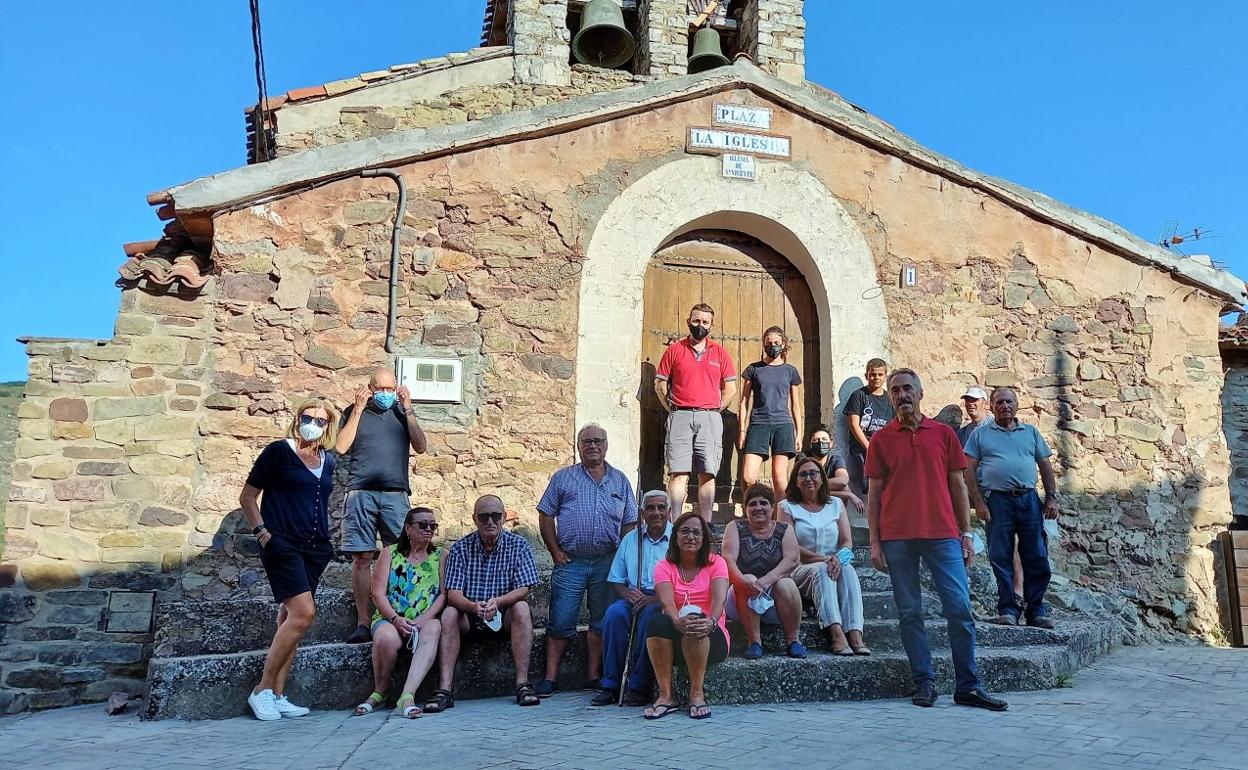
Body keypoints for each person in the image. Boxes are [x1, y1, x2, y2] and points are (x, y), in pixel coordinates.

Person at [866, 368, 1007, 711]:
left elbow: (959, 486)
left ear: (920, 394)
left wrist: (967, 533)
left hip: (943, 535)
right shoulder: (882, 440)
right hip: (897, 536)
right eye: (895, 390)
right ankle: (924, 682)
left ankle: (968, 686)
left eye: (907, 388)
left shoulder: (943, 434)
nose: (902, 395)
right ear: (890, 397)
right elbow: (874, 495)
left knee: (959, 609)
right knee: (910, 612)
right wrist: (874, 541)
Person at [239, 398, 339, 721]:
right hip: (283, 544)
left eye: (321, 421)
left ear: (328, 427)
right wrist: (262, 533)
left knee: (290, 620)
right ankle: (262, 689)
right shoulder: (279, 451)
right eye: (308, 417)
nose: (314, 424)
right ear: (298, 419)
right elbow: (248, 496)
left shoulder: (326, 460)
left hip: (315, 549)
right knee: (303, 613)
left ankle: (279, 694)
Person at [536, 424, 636, 697]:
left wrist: (621, 559)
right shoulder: (562, 478)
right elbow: (546, 515)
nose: (593, 446)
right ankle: (550, 679)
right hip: (571, 562)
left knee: (601, 622)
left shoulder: (620, 481)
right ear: (579, 446)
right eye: (587, 441)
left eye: (598, 441)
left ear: (606, 445)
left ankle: (594, 676)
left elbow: (629, 523)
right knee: (560, 621)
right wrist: (555, 551)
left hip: (606, 562)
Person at [336, 367, 429, 644]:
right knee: (362, 558)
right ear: (369, 388)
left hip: (395, 494)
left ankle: (403, 614)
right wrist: (358, 409)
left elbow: (421, 446)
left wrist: (409, 408)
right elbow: (341, 446)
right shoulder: (355, 410)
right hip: (360, 492)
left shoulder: (402, 412)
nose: (386, 394)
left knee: (402, 553)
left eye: (391, 388)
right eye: (380, 389)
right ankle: (364, 623)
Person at [430, 495, 542, 711]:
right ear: (474, 519)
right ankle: (444, 690)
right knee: (449, 613)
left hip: (503, 612)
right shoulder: (460, 548)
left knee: (521, 607)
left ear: (504, 518)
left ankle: (522, 685)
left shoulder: (519, 545)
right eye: (484, 516)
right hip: (470, 614)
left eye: (495, 515)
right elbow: (453, 594)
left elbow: (524, 588)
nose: (490, 521)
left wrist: (499, 602)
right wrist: (473, 607)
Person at [963, 387, 1060, 629]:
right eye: (999, 402)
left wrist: (1051, 498)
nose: (1004, 406)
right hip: (997, 501)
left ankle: (1036, 610)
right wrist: (978, 502)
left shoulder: (1030, 432)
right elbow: (968, 470)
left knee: (1036, 554)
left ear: (1016, 405)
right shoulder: (980, 435)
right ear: (992, 406)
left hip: (1028, 499)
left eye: (1009, 402)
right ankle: (1007, 608)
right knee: (1000, 555)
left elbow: (1045, 465)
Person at [353, 507, 445, 719]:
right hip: (390, 617)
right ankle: (380, 691)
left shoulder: (441, 555)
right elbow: (377, 593)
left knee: (434, 628)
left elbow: (443, 595)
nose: (428, 529)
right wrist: (395, 619)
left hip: (424, 618)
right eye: (422, 525)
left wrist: (423, 619)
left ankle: (407, 695)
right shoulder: (389, 553)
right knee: (386, 638)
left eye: (433, 525)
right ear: (408, 528)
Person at [654, 303, 737, 522]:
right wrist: (672, 408)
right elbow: (660, 385)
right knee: (678, 472)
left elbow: (731, 389)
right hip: (680, 416)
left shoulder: (720, 353)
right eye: (696, 320)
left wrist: (713, 409)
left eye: (705, 322)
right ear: (688, 321)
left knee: (707, 472)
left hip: (709, 417)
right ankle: (675, 522)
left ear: (712, 325)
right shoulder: (674, 351)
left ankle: (706, 522)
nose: (700, 325)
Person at [642, 512, 729, 720]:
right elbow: (667, 603)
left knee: (697, 623)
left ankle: (697, 694)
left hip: (712, 636)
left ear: (704, 538)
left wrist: (711, 621)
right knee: (656, 621)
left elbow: (719, 602)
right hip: (676, 637)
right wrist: (676, 621)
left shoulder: (717, 563)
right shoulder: (664, 567)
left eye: (696, 532)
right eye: (685, 531)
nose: (690, 536)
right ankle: (665, 696)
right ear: (675, 536)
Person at [778, 457, 868, 655]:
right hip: (799, 568)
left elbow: (846, 542)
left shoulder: (836, 504)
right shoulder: (786, 506)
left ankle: (855, 633)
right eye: (803, 474)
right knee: (822, 569)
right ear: (795, 480)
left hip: (833, 563)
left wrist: (838, 559)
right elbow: (791, 547)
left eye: (813, 473)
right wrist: (824, 559)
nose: (809, 478)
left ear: (822, 478)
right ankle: (835, 632)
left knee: (849, 570)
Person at [593, 490, 673, 707]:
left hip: (663, 599)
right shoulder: (631, 539)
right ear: (642, 513)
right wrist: (627, 594)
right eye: (650, 508)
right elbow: (616, 578)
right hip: (632, 595)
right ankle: (610, 684)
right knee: (613, 615)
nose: (656, 512)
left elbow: (684, 580)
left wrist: (657, 598)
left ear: (669, 512)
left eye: (660, 508)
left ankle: (638, 684)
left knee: (649, 618)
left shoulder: (677, 539)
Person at [722, 484, 806, 659]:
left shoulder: (784, 529)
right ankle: (754, 641)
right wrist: (745, 582)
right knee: (748, 578)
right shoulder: (735, 527)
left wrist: (766, 581)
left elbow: (793, 559)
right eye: (752, 504)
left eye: (763, 503)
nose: (758, 507)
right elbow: (727, 559)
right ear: (745, 508)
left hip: (775, 600)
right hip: (740, 598)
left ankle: (793, 640)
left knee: (786, 582)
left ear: (772, 507)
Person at [958, 384, 1023, 606]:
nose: (970, 404)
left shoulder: (993, 426)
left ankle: (1017, 586)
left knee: (1008, 538)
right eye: (967, 400)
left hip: (997, 489)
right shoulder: (965, 432)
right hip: (974, 488)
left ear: (986, 403)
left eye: (975, 400)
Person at [738, 327, 803, 502]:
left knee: (779, 479)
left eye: (776, 343)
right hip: (759, 423)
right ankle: (750, 509)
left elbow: (796, 406)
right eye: (769, 343)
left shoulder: (790, 371)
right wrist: (742, 431)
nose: (772, 346)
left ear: (783, 344)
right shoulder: (753, 369)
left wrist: (799, 435)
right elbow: (744, 402)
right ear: (764, 344)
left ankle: (778, 517)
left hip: (783, 425)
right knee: (748, 477)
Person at [843, 358, 894, 495]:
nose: (876, 378)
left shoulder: (890, 398)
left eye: (880, 374)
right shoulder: (859, 396)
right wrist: (868, 446)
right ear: (866, 376)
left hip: (884, 448)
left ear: (885, 376)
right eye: (872, 374)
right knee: (869, 485)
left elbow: (895, 424)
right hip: (863, 448)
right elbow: (853, 424)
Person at [806, 425, 864, 514]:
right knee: (845, 490)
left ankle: (838, 520)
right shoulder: (804, 458)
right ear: (810, 443)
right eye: (816, 440)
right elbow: (804, 487)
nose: (820, 443)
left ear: (831, 443)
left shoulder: (835, 460)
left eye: (824, 440)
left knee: (844, 487)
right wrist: (848, 494)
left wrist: (816, 485)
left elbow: (843, 480)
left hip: (825, 498)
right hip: (806, 498)